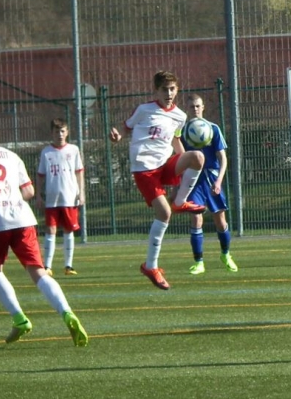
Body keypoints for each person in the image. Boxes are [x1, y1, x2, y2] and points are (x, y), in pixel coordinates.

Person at [0, 113, 88, 347]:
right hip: (22, 218)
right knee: (38, 272)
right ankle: (66, 312)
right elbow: (29, 192)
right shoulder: (12, 156)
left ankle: (19, 318)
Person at [109, 71, 206, 290]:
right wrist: (117, 136)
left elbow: (175, 139)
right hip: (144, 169)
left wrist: (184, 166)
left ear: (177, 90)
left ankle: (180, 201)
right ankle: (150, 266)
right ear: (156, 91)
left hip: (164, 164)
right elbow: (126, 127)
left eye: (172, 89)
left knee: (198, 157)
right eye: (164, 89)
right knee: (164, 213)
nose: (169, 93)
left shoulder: (180, 116)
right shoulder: (144, 110)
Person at [181, 94, 238, 275]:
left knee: (220, 221)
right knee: (196, 218)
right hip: (193, 179)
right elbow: (179, 158)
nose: (195, 109)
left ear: (203, 107)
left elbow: (223, 158)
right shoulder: (182, 131)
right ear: (187, 109)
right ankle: (199, 262)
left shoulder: (213, 128)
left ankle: (226, 254)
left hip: (212, 178)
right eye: (192, 107)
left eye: (198, 106)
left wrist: (219, 180)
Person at [36, 118, 85, 277]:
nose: (60, 134)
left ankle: (68, 266)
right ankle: (47, 266)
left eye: (62, 131)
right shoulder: (46, 152)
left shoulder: (73, 150)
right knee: (50, 230)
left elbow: (79, 172)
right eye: (57, 131)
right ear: (52, 133)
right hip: (52, 198)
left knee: (68, 229)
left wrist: (81, 192)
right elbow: (40, 175)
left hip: (69, 197)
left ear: (67, 132)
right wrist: (38, 195)